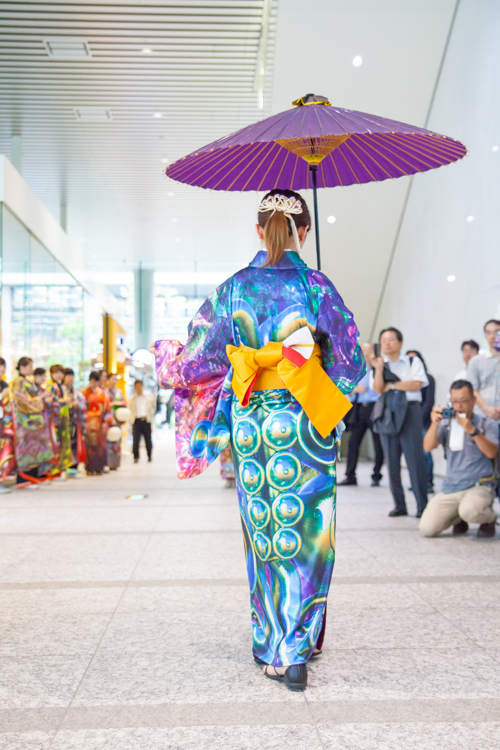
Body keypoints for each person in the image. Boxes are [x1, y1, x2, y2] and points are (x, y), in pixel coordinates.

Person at [152, 189, 364, 691]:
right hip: (305, 421)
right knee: (311, 528)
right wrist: (316, 357)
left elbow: (199, 362)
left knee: (265, 527)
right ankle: (301, 642)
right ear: (304, 233)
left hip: (252, 422)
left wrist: (163, 355)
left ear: (258, 230)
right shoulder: (318, 286)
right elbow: (351, 363)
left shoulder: (232, 289)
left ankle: (276, 646)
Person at [419, 380, 498, 538]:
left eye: (463, 401)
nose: (458, 407)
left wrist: (473, 431)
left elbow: (492, 453)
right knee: (427, 528)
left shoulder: (486, 423)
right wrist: (434, 424)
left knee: (470, 510)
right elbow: (427, 447)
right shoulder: (447, 422)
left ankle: (490, 518)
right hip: (452, 487)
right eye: (454, 402)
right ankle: (458, 518)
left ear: (473, 400)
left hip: (479, 485)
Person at [372, 328, 429, 518]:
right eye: (383, 340)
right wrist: (379, 370)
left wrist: (394, 385)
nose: (387, 343)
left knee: (415, 461)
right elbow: (379, 389)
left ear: (400, 342)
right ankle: (399, 505)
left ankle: (422, 505)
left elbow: (417, 384)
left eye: (390, 339)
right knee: (392, 463)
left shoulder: (412, 361)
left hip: (411, 412)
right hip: (388, 413)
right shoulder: (381, 364)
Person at [339, 342, 384, 487]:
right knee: (353, 443)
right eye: (363, 350)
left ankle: (376, 475)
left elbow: (372, 389)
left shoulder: (378, 369)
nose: (365, 353)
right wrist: (355, 389)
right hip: (358, 409)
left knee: (378, 443)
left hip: (374, 408)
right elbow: (347, 388)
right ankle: (350, 475)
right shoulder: (356, 369)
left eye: (368, 350)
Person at [12, 357, 55, 483]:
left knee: (35, 450)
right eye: (30, 366)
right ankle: (24, 478)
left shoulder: (26, 381)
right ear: (22, 367)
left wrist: (43, 398)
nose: (31, 369)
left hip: (34, 424)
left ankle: (33, 476)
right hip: (26, 424)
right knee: (27, 451)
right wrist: (42, 397)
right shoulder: (19, 382)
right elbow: (24, 402)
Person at [406, 349, 435, 493]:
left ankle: (428, 482)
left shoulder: (428, 378)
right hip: (409, 421)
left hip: (423, 420)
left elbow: (428, 402)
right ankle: (418, 481)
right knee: (415, 453)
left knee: (426, 452)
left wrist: (418, 418)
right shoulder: (404, 379)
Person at [467, 320, 500, 422]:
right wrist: (486, 408)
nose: (492, 336)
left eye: (496, 332)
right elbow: (473, 389)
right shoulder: (476, 361)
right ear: (485, 335)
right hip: (482, 416)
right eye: (488, 332)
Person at [82, 371, 112, 475]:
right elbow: (82, 410)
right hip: (88, 423)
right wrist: (84, 422)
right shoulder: (84, 393)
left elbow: (107, 409)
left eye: (96, 381)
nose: (94, 384)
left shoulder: (103, 393)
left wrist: (105, 423)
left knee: (101, 445)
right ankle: (89, 468)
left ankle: (100, 467)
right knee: (89, 445)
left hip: (100, 422)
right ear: (90, 381)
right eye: (93, 381)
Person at [47, 364, 74, 476]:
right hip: (54, 420)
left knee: (63, 443)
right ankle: (53, 470)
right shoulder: (50, 386)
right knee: (55, 443)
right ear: (52, 374)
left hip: (63, 418)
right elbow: (50, 401)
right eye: (56, 373)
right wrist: (64, 401)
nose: (59, 375)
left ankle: (60, 468)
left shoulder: (61, 386)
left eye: (61, 373)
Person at [63, 368, 86, 473]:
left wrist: (76, 404)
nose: (71, 378)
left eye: (72, 376)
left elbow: (83, 404)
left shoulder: (76, 392)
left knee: (75, 443)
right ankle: (65, 466)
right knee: (65, 443)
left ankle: (74, 466)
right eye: (68, 376)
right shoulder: (60, 390)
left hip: (75, 422)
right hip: (64, 422)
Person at [129, 379, 155, 463]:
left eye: (139, 387)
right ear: (134, 387)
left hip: (146, 420)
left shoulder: (149, 396)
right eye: (136, 387)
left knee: (148, 439)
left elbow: (153, 407)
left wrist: (151, 416)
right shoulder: (132, 398)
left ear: (142, 386)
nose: (138, 388)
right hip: (136, 421)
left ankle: (149, 455)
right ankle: (136, 457)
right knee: (135, 440)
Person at [106, 372, 127, 470]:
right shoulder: (105, 391)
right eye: (112, 379)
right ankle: (107, 463)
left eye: (116, 379)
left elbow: (124, 402)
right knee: (108, 440)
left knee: (117, 440)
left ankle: (115, 463)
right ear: (107, 380)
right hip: (107, 418)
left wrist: (115, 403)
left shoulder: (119, 391)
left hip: (117, 418)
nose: (114, 381)